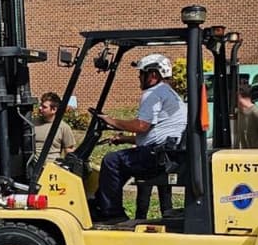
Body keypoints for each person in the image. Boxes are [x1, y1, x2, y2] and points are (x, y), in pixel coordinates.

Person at [92, 54, 187, 222]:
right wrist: (123, 139)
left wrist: (110, 120)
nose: (138, 77)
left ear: (153, 75)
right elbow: (153, 135)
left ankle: (111, 214)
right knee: (122, 163)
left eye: (141, 73)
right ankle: (105, 205)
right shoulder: (170, 93)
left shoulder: (153, 93)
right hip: (165, 152)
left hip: (157, 157)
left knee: (111, 161)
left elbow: (142, 126)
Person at [32, 91, 77, 165]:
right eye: (40, 105)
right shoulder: (32, 123)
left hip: (51, 170)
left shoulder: (63, 127)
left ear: (54, 110)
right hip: (32, 168)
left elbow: (69, 150)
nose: (40, 108)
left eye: (44, 107)